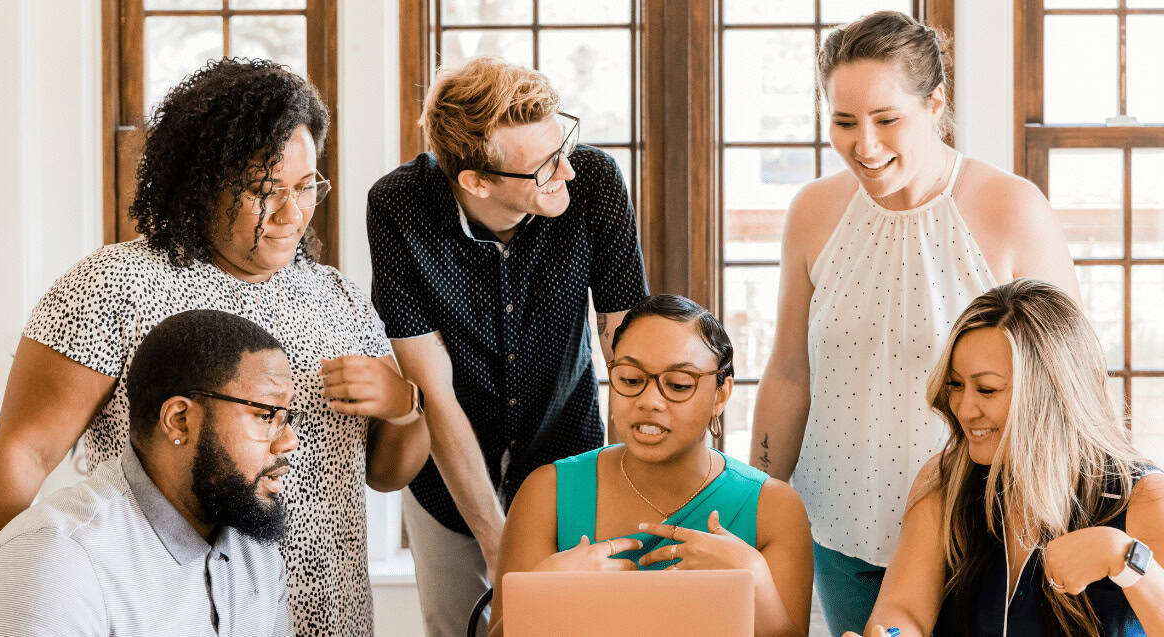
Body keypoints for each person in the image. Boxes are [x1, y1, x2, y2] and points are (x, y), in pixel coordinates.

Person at [0, 59, 429, 636]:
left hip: (330, 614)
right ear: (203, 181)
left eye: (306, 186)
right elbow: (23, 454)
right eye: (265, 191)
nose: (292, 213)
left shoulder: (337, 298)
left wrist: (405, 404)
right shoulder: (114, 285)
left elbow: (387, 474)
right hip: (166, 609)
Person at [747, 11, 1081, 634]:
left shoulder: (1011, 209)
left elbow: (1069, 383)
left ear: (935, 103)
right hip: (840, 532)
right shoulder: (813, 212)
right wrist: (754, 502)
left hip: (978, 531)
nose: (864, 145)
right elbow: (791, 373)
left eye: (886, 119)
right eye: (843, 122)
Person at [367, 56, 648, 635]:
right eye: (544, 167)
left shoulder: (592, 181)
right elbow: (432, 389)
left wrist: (627, 503)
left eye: (562, 148)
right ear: (476, 181)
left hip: (567, 453)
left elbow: (631, 357)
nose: (565, 172)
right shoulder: (398, 206)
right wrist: (499, 548)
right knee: (457, 628)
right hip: (445, 479)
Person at [846, 279, 1164, 637]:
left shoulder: (1144, 498)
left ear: (1053, 391)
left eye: (987, 389)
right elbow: (903, 610)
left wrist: (1125, 559)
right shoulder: (943, 481)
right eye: (955, 385)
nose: (964, 407)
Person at [490, 294, 813, 637]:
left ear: (720, 394)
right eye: (630, 379)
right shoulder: (547, 493)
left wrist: (754, 578)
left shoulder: (775, 509)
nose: (649, 401)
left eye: (678, 385)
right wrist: (546, 594)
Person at [0, 310, 298, 636]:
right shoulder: (54, 562)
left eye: (287, 416)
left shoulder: (256, 555)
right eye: (266, 415)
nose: (289, 441)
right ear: (179, 420)